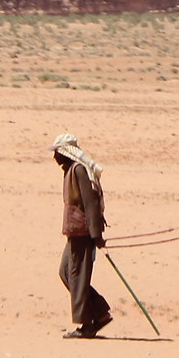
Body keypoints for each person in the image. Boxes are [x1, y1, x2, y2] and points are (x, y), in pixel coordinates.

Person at [53, 134, 112, 338]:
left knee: (77, 276)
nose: (54, 157)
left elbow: (90, 203)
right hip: (74, 231)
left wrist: (96, 235)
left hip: (83, 232)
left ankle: (87, 325)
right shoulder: (71, 170)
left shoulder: (78, 170)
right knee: (66, 272)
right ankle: (100, 313)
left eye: (57, 152)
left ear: (65, 152)